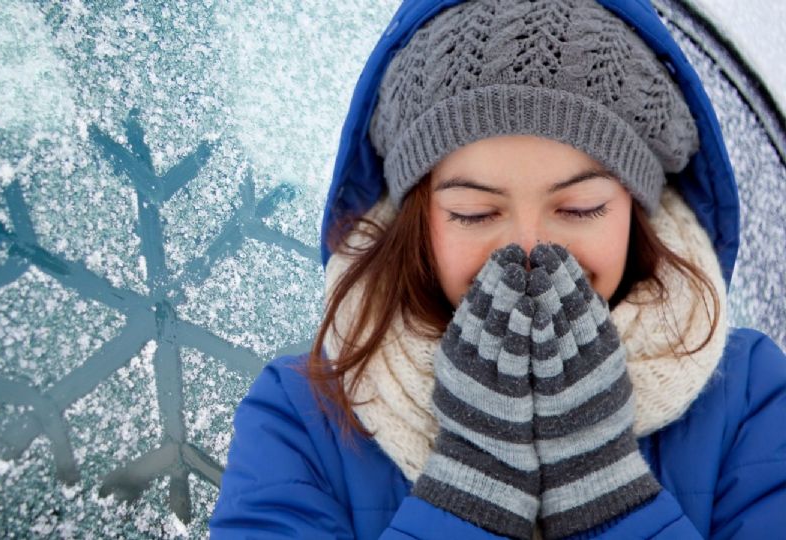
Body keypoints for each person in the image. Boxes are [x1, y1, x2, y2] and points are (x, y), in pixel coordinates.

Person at [209, 0, 786, 538]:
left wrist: (606, 491)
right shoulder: (301, 421)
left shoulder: (749, 398)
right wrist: (469, 491)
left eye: (580, 208)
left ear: (634, 210)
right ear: (419, 220)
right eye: (475, 212)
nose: (530, 250)